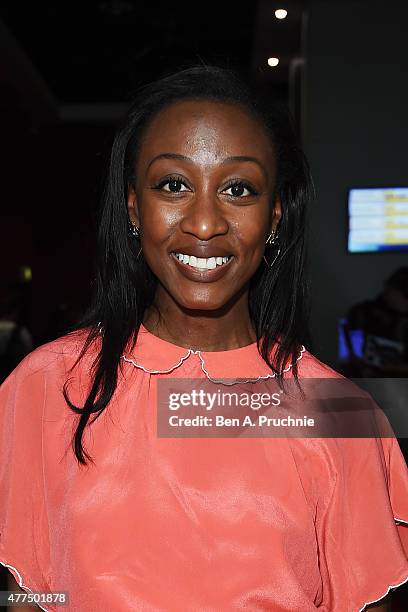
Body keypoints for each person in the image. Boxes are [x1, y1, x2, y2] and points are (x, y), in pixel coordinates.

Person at [0, 65, 407, 612]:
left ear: (275, 215)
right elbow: (29, 595)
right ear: (132, 207)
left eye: (238, 189)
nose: (206, 221)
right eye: (174, 184)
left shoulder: (335, 411)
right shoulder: (46, 386)